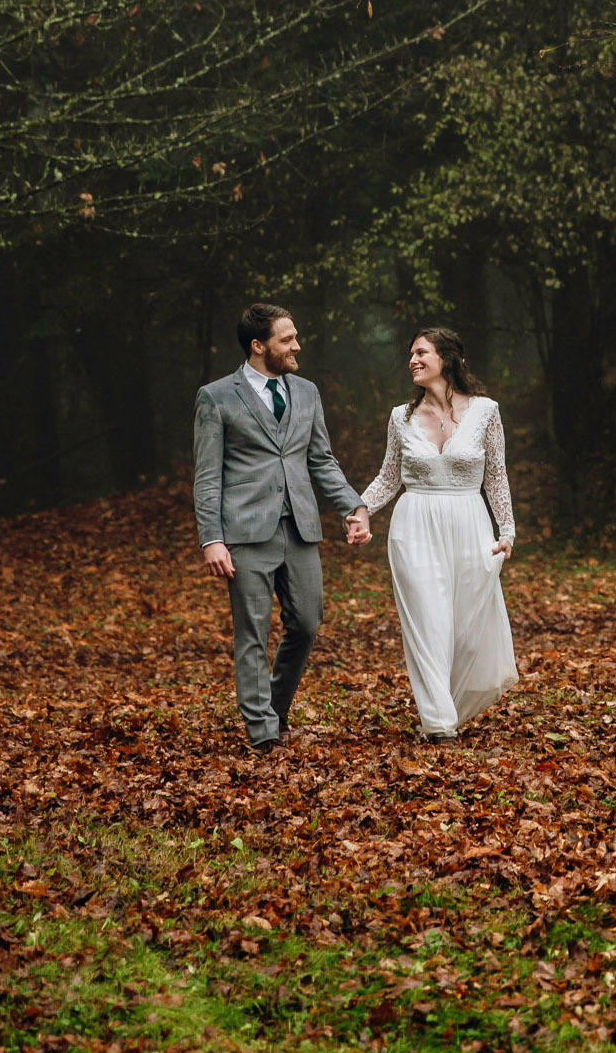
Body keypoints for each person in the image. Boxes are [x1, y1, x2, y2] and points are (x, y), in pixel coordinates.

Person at [193, 303, 371, 752]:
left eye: (295, 337)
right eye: (286, 339)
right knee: (252, 631)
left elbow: (321, 460)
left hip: (301, 528)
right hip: (245, 532)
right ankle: (262, 733)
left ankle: (274, 706)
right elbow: (207, 476)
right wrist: (212, 538)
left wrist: (353, 506)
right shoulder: (216, 397)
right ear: (258, 346)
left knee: (307, 624)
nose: (297, 346)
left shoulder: (307, 392)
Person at [359, 327, 518, 742]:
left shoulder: (486, 411)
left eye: (420, 352)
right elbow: (388, 477)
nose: (412, 360)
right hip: (415, 526)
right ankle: (440, 725)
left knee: (465, 629)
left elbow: (496, 478)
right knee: (429, 623)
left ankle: (452, 705)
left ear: (446, 358)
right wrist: (359, 510)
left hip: (470, 522)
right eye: (410, 353)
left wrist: (508, 531)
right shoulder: (401, 417)